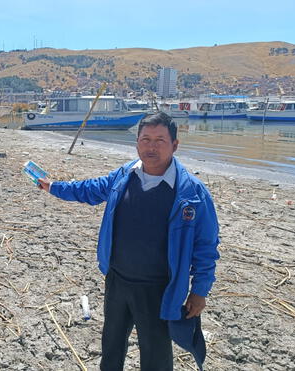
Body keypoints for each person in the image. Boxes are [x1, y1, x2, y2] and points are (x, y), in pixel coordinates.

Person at [38, 112, 220, 370]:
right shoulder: (124, 175)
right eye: (145, 139)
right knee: (111, 347)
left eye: (160, 140)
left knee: (155, 355)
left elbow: (206, 246)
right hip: (117, 280)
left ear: (175, 145)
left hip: (159, 288)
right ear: (136, 143)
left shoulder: (192, 193)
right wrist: (54, 186)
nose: (151, 147)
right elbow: (89, 189)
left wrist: (200, 291)